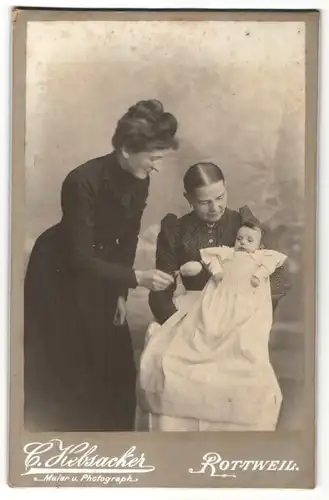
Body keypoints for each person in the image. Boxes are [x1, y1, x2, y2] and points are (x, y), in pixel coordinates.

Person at [24, 99, 177, 432]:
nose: (156, 167)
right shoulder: (81, 181)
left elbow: (129, 237)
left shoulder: (141, 176)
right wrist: (136, 278)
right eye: (153, 158)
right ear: (125, 149)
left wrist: (121, 292)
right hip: (58, 273)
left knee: (115, 368)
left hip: (105, 272)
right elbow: (80, 258)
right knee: (65, 367)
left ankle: (112, 447)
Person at [143, 162, 291, 431]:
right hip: (190, 312)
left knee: (243, 374)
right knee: (171, 367)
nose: (215, 208)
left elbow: (278, 277)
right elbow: (161, 291)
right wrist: (177, 324)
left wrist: (253, 317)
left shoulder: (244, 225)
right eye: (204, 202)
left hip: (239, 312)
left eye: (220, 197)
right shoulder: (175, 230)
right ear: (188, 199)